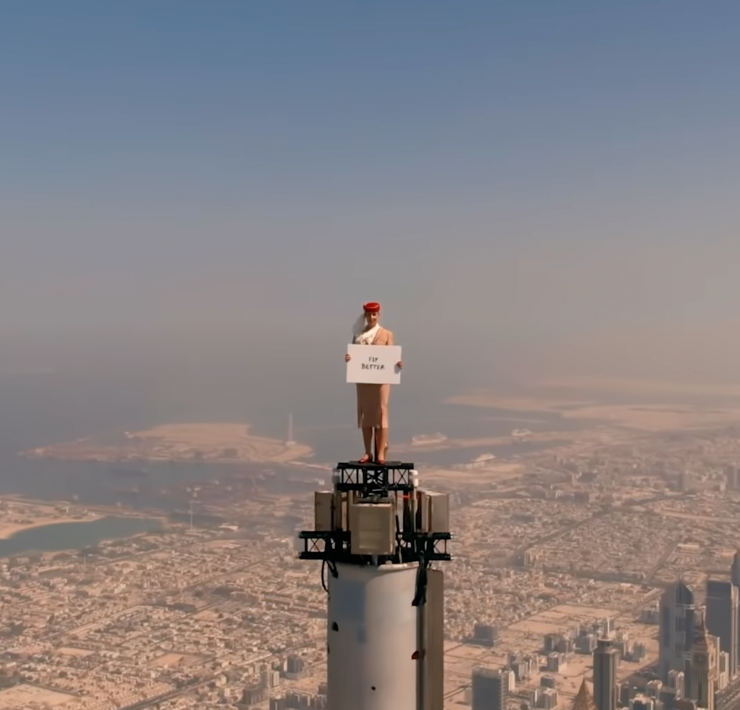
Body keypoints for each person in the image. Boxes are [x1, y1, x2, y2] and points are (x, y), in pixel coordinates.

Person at [345, 302, 402, 464]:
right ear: (365, 316)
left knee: (381, 412)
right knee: (366, 414)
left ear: (378, 315)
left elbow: (391, 356)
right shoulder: (358, 335)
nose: (371, 317)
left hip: (382, 380)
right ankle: (367, 451)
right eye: (369, 315)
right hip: (364, 379)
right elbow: (354, 355)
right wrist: (349, 358)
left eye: (374, 314)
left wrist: (397, 363)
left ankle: (381, 452)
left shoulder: (386, 334)